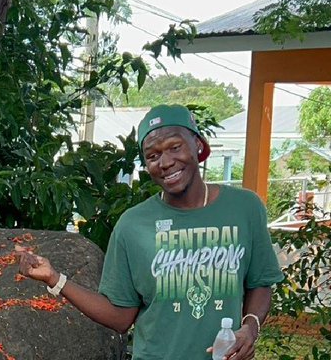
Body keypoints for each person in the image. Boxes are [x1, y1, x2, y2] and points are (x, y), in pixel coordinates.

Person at [15, 104, 283, 360]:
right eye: (152, 155)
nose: (165, 162)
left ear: (198, 145)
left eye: (174, 147)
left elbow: (259, 282)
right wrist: (54, 278)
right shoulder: (133, 225)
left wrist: (250, 327)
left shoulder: (244, 208)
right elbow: (120, 317)